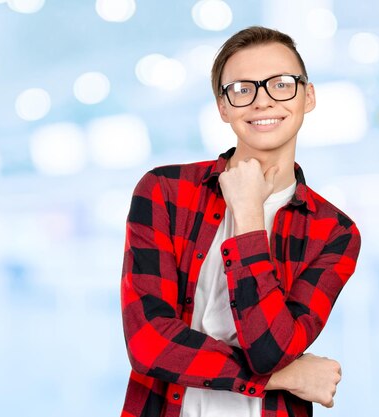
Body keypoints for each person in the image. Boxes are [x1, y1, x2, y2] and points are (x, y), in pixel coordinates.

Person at [119, 26, 361, 417]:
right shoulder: (164, 191)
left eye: (281, 84)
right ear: (223, 107)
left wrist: (249, 218)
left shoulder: (333, 232)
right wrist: (287, 377)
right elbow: (148, 343)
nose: (263, 101)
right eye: (243, 89)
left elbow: (272, 350)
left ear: (308, 96)